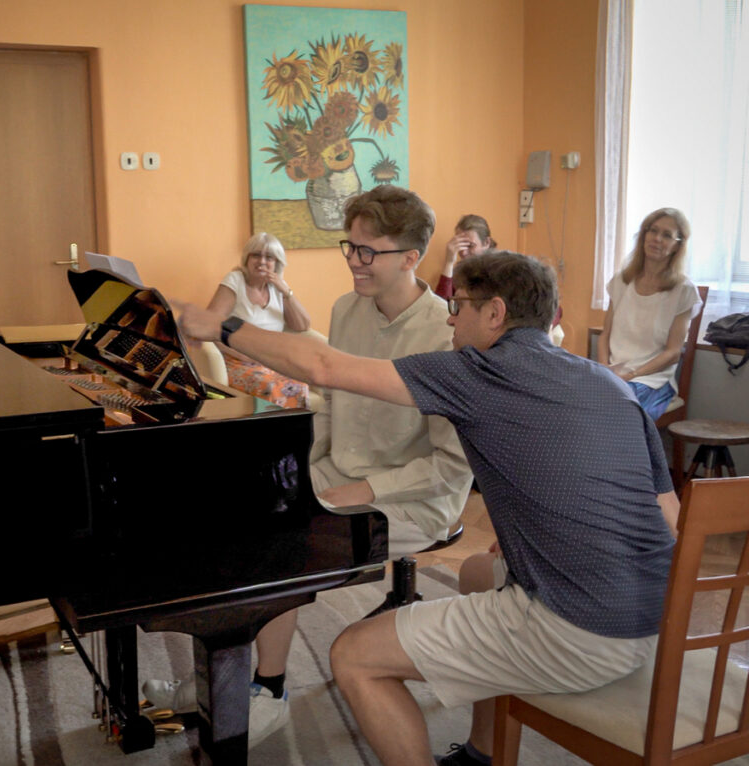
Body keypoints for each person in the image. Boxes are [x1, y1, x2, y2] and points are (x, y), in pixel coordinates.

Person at [177, 250, 678, 766]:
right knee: (480, 572)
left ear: (495, 313)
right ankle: (483, 754)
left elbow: (324, 366)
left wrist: (222, 326)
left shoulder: (480, 372)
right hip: (653, 616)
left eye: (459, 306)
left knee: (353, 656)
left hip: (578, 631)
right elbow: (670, 518)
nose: (450, 319)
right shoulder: (609, 383)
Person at [145, 186, 472, 748]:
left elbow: (449, 466)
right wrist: (294, 469)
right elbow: (333, 406)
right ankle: (221, 676)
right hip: (341, 474)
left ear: (411, 258)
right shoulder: (347, 310)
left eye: (368, 251)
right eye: (350, 246)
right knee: (235, 516)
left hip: (413, 498)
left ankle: (268, 690)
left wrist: (357, 489)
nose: (353, 261)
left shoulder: (446, 333)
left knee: (281, 543)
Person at [597, 207, 700, 419]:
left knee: (616, 409)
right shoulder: (621, 281)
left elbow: (673, 353)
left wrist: (632, 375)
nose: (657, 239)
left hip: (651, 379)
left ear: (677, 245)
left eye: (667, 235)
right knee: (575, 400)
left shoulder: (684, 290)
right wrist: (604, 369)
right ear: (643, 235)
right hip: (613, 373)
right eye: (653, 230)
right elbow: (605, 335)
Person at [203, 232, 311, 407]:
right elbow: (209, 327)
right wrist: (244, 355)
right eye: (256, 255)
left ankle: (295, 426)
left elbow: (302, 325)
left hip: (270, 360)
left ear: (277, 263)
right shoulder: (235, 281)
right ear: (247, 259)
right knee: (272, 387)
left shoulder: (278, 287)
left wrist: (285, 291)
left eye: (269, 257)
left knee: (300, 384)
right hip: (237, 360)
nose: (262, 261)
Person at [434, 215, 495, 300]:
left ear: (486, 243)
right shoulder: (460, 271)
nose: (463, 252)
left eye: (470, 246)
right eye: (461, 245)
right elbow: (441, 305)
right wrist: (449, 263)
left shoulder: (497, 273)